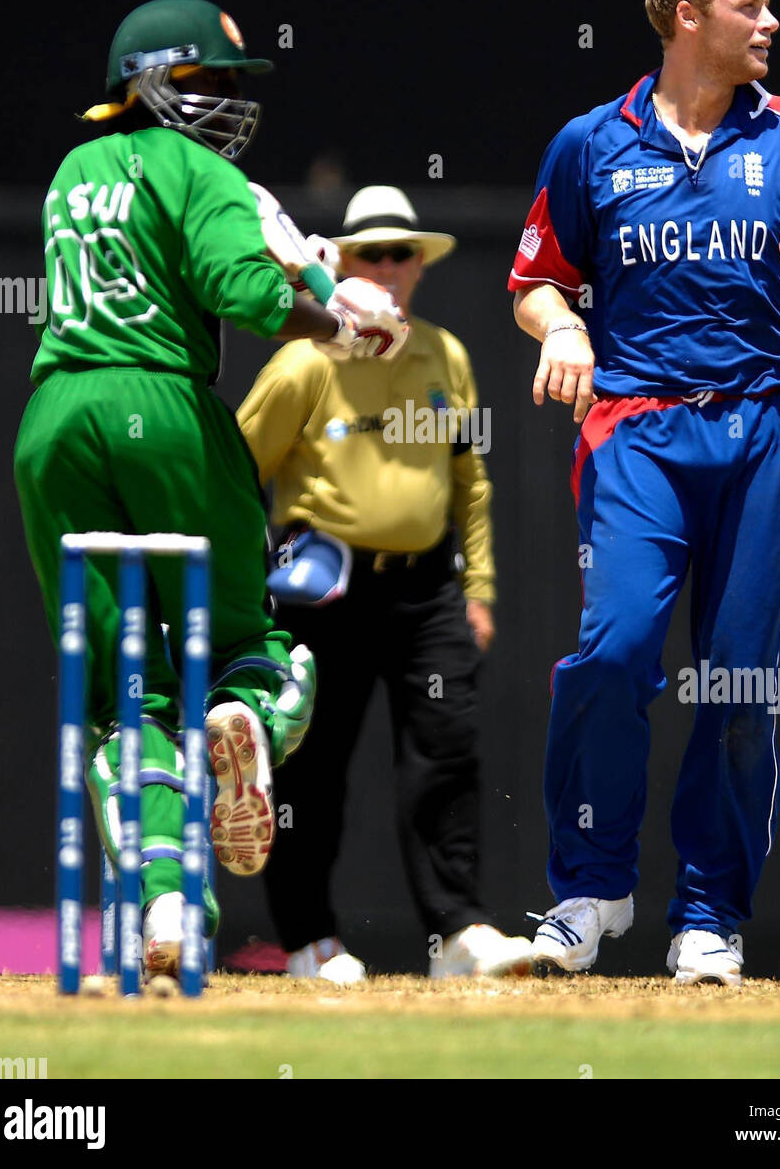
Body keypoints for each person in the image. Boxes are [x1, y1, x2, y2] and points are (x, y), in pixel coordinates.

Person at [508, 0, 780, 986]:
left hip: (767, 426)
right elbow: (538, 278)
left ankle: (709, 915)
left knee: (738, 674)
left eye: (769, 8)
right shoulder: (592, 143)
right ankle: (589, 890)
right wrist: (562, 333)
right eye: (749, 6)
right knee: (617, 647)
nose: (771, 23)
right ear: (685, 16)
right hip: (637, 426)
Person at [14, 0, 406, 982]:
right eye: (205, 80)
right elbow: (245, 291)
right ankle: (245, 731)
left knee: (118, 696)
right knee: (248, 645)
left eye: (231, 83)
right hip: (167, 415)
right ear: (141, 80)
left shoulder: (72, 170)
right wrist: (338, 325)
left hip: (54, 421)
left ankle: (170, 907)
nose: (227, 101)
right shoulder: (200, 169)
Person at [236, 185, 533, 982]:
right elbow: (234, 473)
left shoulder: (445, 354)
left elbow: (469, 482)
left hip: (427, 586)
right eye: (373, 252)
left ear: (420, 266)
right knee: (312, 767)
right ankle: (308, 941)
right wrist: (249, 583)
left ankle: (459, 935)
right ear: (343, 265)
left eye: (405, 253)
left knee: (446, 753)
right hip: (323, 587)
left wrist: (480, 590)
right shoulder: (304, 360)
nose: (391, 267)